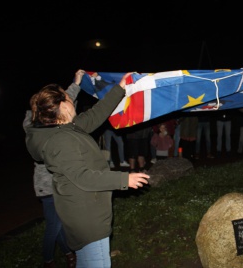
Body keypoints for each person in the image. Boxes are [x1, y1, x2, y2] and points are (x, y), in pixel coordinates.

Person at [25, 70, 150, 267]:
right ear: (61, 107)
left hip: (85, 209)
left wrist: (120, 88)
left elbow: (96, 115)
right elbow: (82, 177)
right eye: (68, 97)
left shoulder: (66, 128)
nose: (72, 99)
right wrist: (123, 180)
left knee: (86, 261)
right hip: (86, 217)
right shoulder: (61, 140)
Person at [23, 75, 80, 268]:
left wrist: (77, 83)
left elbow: (65, 100)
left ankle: (68, 254)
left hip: (56, 184)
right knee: (54, 226)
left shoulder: (46, 123)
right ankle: (48, 260)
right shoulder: (34, 128)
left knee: (59, 224)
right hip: (48, 186)